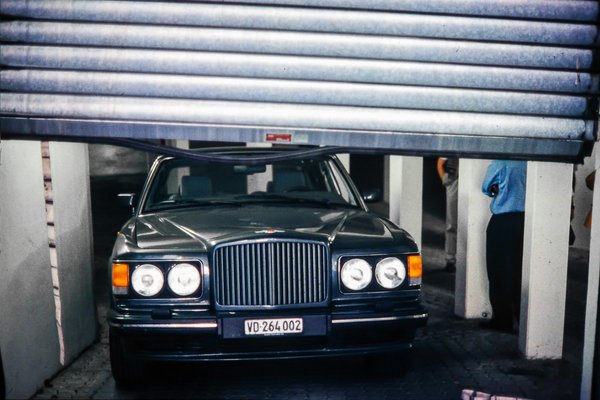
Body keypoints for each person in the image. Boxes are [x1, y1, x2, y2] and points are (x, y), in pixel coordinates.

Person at [481, 160, 527, 332]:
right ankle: (523, 320)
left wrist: (496, 188)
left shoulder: (501, 161)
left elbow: (486, 187)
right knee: (520, 271)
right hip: (526, 220)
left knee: (498, 272)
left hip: (503, 221)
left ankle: (503, 320)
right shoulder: (532, 161)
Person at [437, 157, 459, 272]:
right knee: (452, 224)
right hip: (454, 182)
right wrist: (445, 179)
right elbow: (440, 163)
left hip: (470, 180)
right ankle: (450, 259)